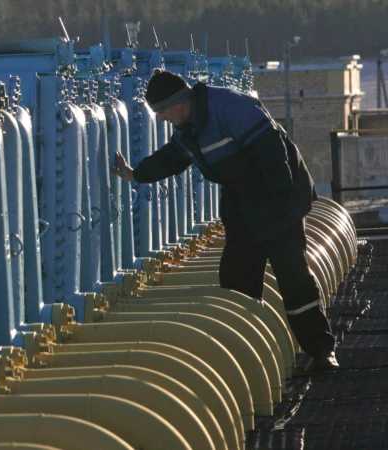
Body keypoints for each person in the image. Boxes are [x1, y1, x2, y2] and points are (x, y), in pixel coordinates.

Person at [111, 69, 338, 371]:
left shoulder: (230, 106)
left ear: (179, 102)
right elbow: (172, 158)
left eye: (162, 111)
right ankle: (246, 359)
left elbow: (273, 152)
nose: (162, 119)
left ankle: (322, 351)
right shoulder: (188, 129)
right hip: (242, 199)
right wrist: (136, 174)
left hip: (277, 196)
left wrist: (279, 206)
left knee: (294, 277)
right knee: (236, 281)